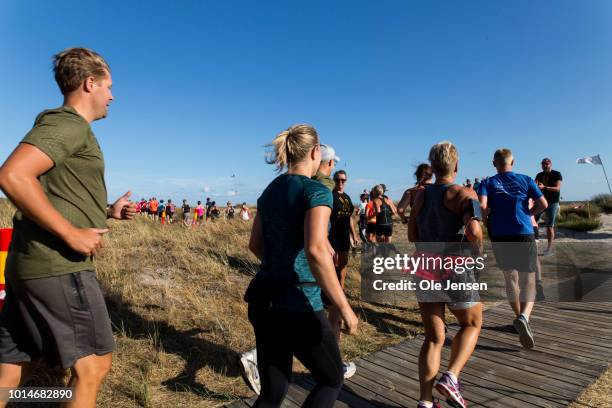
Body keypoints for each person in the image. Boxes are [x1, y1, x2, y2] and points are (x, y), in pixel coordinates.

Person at [0, 47, 136, 408]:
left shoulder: (66, 127)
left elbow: (56, 191)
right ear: (90, 83)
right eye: (108, 87)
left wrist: (107, 212)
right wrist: (71, 233)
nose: (112, 96)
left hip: (29, 265)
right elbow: (13, 175)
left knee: (16, 366)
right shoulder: (68, 125)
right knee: (93, 367)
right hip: (58, 267)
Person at [244, 124, 358, 408]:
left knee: (272, 391)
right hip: (298, 303)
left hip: (263, 298)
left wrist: (281, 263)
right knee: (331, 379)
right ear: (316, 152)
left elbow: (255, 245)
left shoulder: (270, 191)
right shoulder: (317, 192)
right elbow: (316, 250)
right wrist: (344, 307)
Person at [408, 141, 484, 408]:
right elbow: (474, 232)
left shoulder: (420, 196)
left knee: (433, 337)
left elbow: (412, 234)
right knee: (471, 324)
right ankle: (451, 376)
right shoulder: (464, 194)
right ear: (456, 165)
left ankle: (425, 402)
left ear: (433, 166)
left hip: (425, 264)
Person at [478, 148, 548, 349]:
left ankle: (518, 317)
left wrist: (486, 221)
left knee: (510, 278)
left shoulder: (487, 183)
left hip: (500, 234)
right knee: (529, 278)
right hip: (523, 232)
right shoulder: (526, 179)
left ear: (494, 164)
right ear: (513, 162)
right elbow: (542, 203)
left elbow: (482, 207)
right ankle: (524, 317)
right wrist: (528, 213)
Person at [325, 170, 359, 379]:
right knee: (334, 267)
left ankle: (341, 292)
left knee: (344, 268)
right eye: (337, 179)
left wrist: (354, 236)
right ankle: (333, 296)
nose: (340, 183)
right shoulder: (330, 195)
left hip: (345, 237)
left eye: (343, 180)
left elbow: (350, 220)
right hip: (333, 238)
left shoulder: (346, 198)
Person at [535, 158, 562, 256]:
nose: (544, 165)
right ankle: (534, 245)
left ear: (550, 164)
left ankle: (549, 249)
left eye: (546, 164)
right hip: (541, 202)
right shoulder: (539, 175)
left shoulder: (556, 174)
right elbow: (535, 186)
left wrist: (544, 187)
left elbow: (557, 189)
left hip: (552, 203)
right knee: (534, 223)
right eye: (543, 164)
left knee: (549, 226)